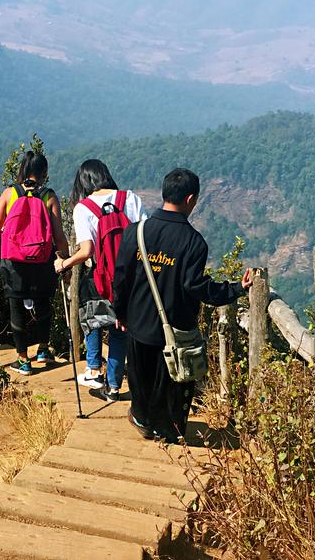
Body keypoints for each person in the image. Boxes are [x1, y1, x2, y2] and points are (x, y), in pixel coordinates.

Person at [113, 167, 253, 442]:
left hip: (138, 322)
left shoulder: (136, 232)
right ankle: (168, 431)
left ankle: (142, 419)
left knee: (141, 380)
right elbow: (196, 286)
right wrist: (236, 288)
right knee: (172, 385)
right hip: (175, 331)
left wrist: (120, 312)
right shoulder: (193, 242)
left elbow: (121, 277)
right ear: (191, 199)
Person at [55, 159, 146, 403]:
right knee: (120, 329)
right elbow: (144, 238)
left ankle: (93, 369)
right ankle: (113, 386)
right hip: (132, 278)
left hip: (100, 277)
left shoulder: (83, 208)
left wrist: (63, 264)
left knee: (91, 320)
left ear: (83, 181)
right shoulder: (131, 198)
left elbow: (86, 251)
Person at [0, 151, 70, 375]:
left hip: (14, 260)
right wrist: (65, 260)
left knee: (16, 306)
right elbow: (59, 235)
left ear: (22, 169)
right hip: (42, 259)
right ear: (44, 172)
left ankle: (23, 359)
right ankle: (43, 350)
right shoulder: (49, 196)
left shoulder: (9, 193)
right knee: (43, 302)